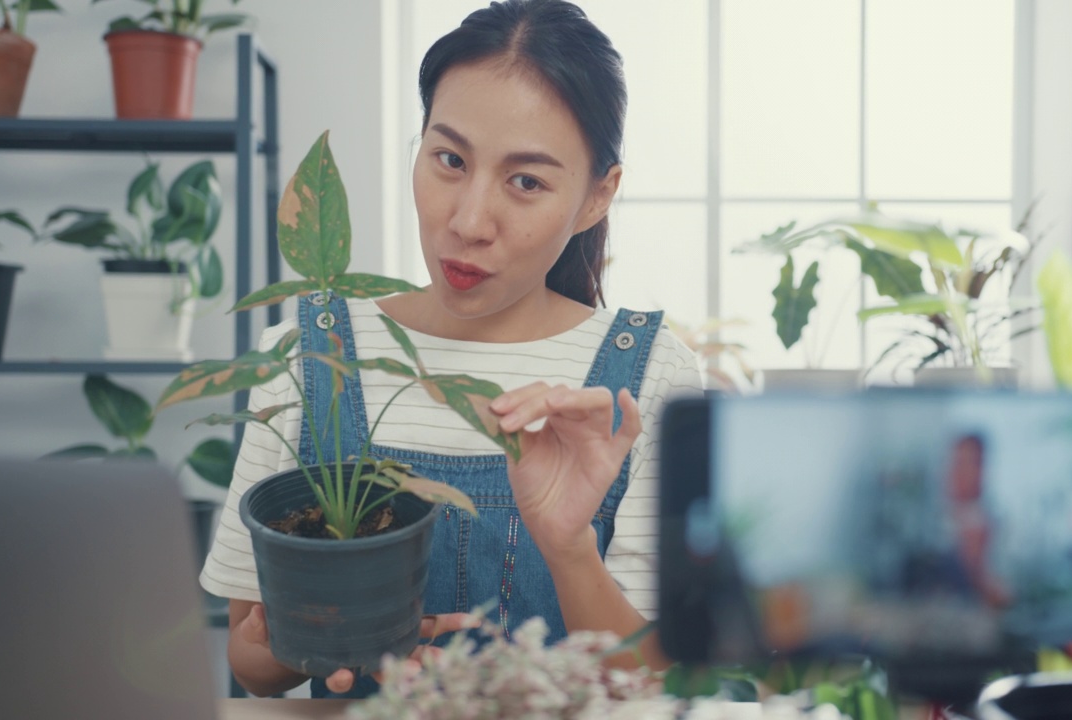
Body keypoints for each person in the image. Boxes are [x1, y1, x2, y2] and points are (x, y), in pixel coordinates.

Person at [199, 0, 703, 699]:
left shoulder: (651, 379)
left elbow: (660, 687)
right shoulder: (307, 355)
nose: (467, 222)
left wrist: (566, 545)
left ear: (596, 197)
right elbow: (251, 664)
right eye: (448, 159)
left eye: (526, 181)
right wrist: (312, 636)